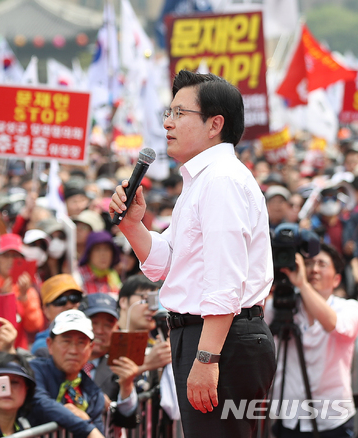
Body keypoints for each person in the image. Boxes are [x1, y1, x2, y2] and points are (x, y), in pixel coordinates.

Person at [109, 70, 275, 438]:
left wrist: (206, 357)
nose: (168, 123)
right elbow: (167, 263)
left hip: (220, 340)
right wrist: (133, 225)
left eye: (179, 113)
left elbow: (225, 279)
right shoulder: (202, 181)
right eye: (168, 113)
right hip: (208, 337)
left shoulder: (221, 180)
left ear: (216, 124)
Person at [268, 244, 358, 436]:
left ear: (337, 279)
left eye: (322, 264)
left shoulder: (350, 308)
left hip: (333, 420)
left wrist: (302, 285)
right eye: (309, 263)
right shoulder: (281, 307)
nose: (314, 269)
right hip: (289, 418)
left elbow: (332, 324)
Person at [29, 310, 106, 438]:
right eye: (66, 341)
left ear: (90, 349)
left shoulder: (93, 393)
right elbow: (41, 402)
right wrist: (87, 428)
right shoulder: (36, 370)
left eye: (81, 343)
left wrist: (86, 419)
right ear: (50, 345)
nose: (73, 350)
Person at [79, 293, 141, 429]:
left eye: (108, 325)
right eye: (93, 323)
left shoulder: (122, 365)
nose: (100, 331)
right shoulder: (62, 359)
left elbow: (128, 420)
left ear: (116, 328)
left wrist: (126, 386)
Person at [31, 273, 83, 355]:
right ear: (46, 310)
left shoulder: (95, 336)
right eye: (60, 300)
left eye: (75, 298)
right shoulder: (42, 347)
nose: (69, 305)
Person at [0, 352, 37, 436]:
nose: (7, 389)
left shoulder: (32, 427)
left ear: (27, 388)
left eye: (14, 382)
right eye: (0, 382)